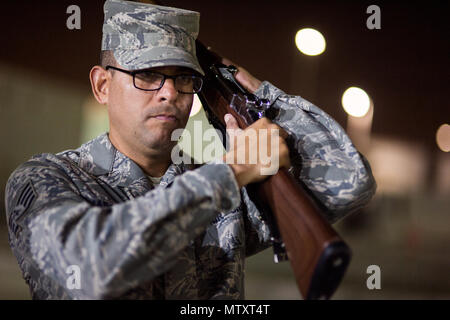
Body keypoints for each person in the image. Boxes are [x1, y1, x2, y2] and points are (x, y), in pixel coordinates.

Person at [4, 0, 376, 299]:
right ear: (102, 85)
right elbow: (86, 271)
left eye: (184, 78)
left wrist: (259, 99)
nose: (169, 93)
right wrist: (231, 172)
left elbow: (349, 180)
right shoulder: (44, 180)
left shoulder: (226, 190)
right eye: (147, 75)